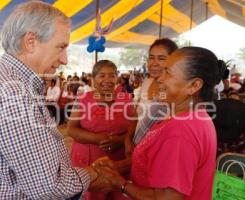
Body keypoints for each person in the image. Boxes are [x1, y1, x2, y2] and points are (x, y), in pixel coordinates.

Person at [0, 2, 111, 199]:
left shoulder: (9, 80)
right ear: (31, 42)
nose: (65, 59)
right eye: (60, 47)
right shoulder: (14, 94)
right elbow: (49, 187)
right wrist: (92, 173)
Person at [94, 47, 225, 200]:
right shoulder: (191, 117)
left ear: (194, 86)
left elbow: (167, 197)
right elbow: (153, 161)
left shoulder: (181, 131)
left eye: (168, 72)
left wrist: (120, 184)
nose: (160, 78)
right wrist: (117, 167)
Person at [68, 60, 137, 200]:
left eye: (111, 75)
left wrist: (120, 140)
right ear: (93, 79)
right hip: (89, 162)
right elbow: (71, 129)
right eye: (102, 75)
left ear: (117, 78)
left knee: (117, 193)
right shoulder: (82, 100)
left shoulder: (126, 99)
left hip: (118, 160)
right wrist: (99, 139)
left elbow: (134, 124)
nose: (107, 80)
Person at [130, 38, 178, 146]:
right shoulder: (147, 83)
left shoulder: (174, 91)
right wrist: (127, 140)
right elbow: (136, 117)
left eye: (161, 58)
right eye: (151, 58)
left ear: (173, 61)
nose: (154, 63)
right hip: (136, 146)